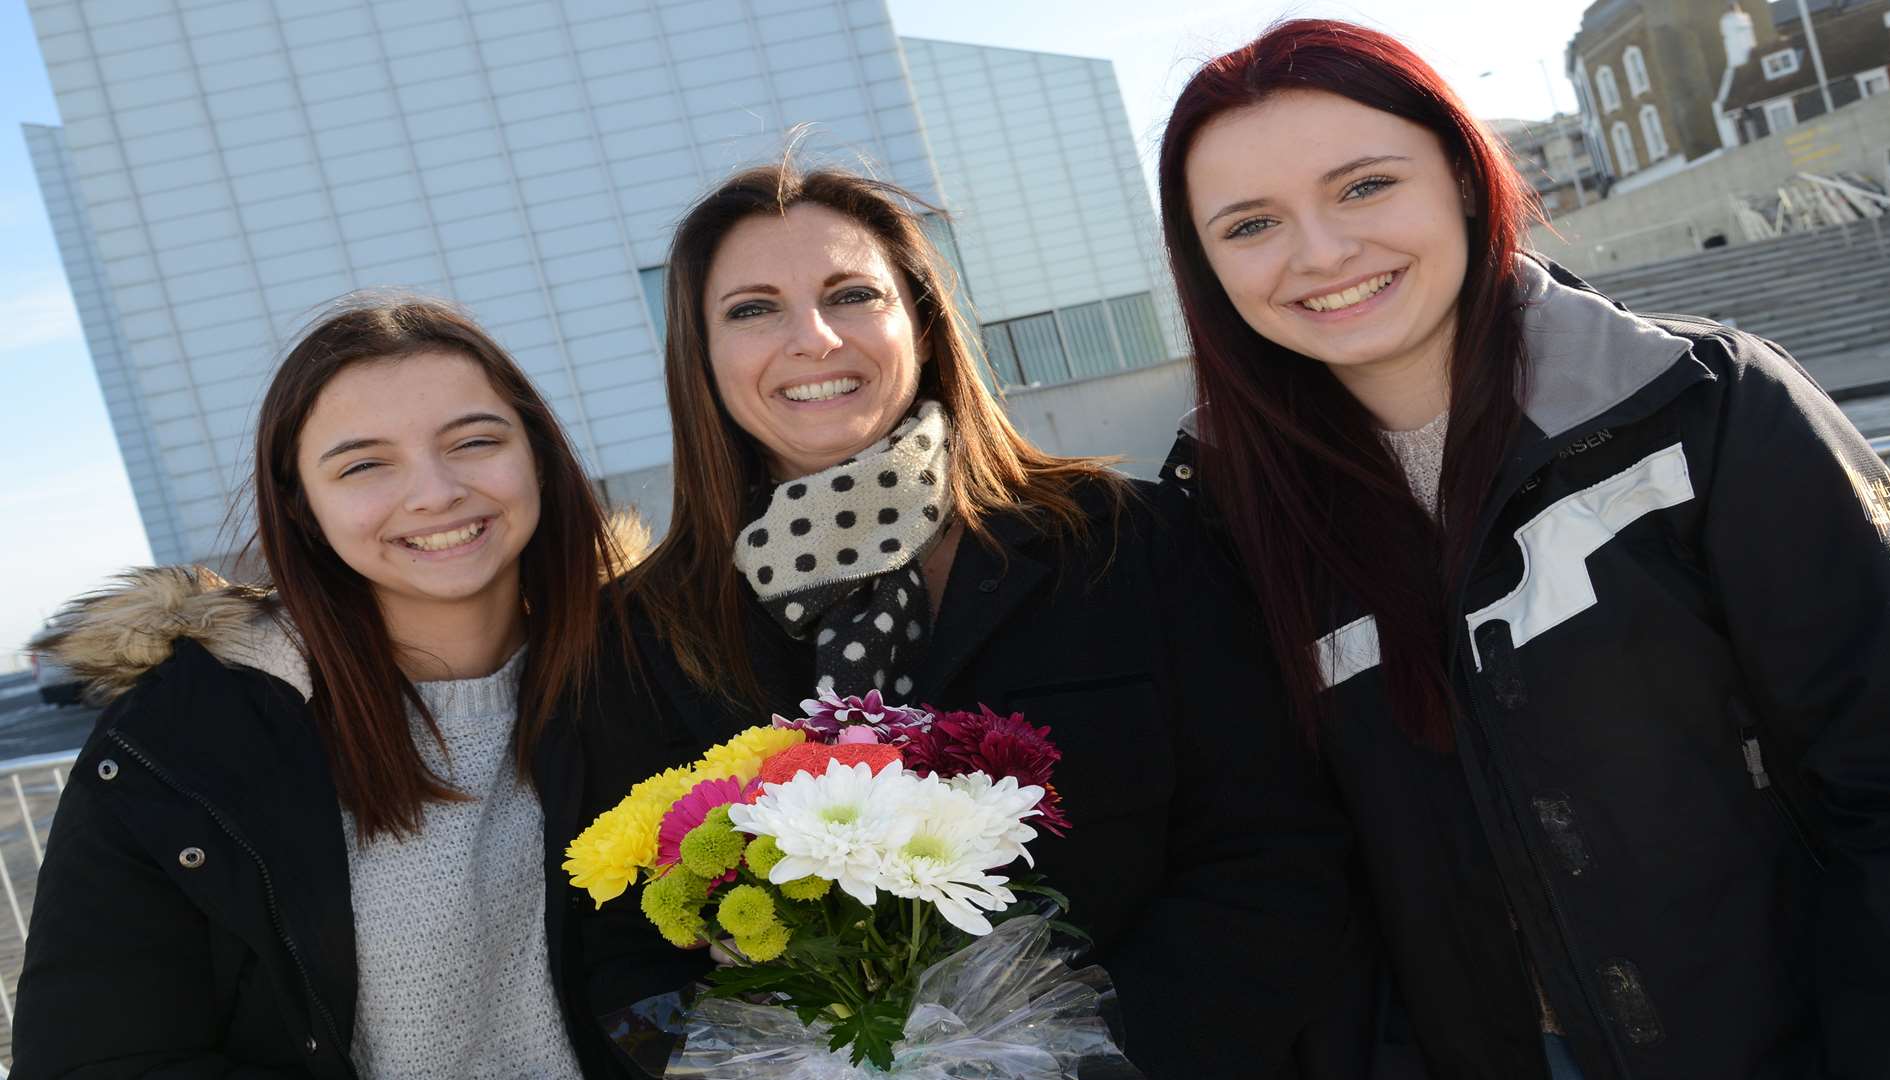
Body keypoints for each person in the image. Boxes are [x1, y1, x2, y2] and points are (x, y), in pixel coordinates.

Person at [1155, 18, 1890, 1080]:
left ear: (1465, 181)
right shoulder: (1217, 524)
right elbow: (1283, 876)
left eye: (1367, 186)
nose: (1321, 255)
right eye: (1249, 225)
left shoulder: (1702, 407)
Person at [572, 163, 1356, 1078]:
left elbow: (1273, 854)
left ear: (922, 319)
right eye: (752, 309)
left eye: (852, 293)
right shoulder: (638, 636)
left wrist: (1074, 1064)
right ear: (700, 356)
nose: (814, 339)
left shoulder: (1128, 543)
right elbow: (619, 957)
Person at [15, 296, 638, 1078]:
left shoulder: (639, 669)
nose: (435, 492)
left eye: (475, 441)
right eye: (364, 464)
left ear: (539, 459)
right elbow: (95, 1062)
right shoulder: (187, 737)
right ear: (302, 507)